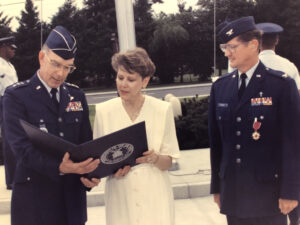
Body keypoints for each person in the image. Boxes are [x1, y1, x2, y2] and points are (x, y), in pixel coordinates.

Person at [3, 26, 100, 225]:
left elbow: (86, 145)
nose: (61, 73)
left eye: (68, 67)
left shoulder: (77, 96)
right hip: (34, 202)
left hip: (71, 202)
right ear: (41, 57)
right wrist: (59, 167)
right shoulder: (16, 96)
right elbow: (21, 149)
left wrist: (90, 175)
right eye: (55, 64)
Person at [209, 16, 300, 225]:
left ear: (253, 45)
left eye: (232, 46)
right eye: (225, 47)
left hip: (268, 193)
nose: (226, 52)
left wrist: (291, 191)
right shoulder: (220, 87)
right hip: (233, 192)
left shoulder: (280, 85)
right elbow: (217, 144)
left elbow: (293, 143)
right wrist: (217, 187)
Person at [93, 47, 180, 225]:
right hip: (120, 195)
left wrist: (155, 158)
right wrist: (112, 170)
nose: (123, 84)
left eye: (131, 79)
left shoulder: (162, 110)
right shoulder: (103, 111)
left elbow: (169, 161)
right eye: (120, 77)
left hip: (155, 196)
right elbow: (98, 162)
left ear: (145, 81)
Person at [257, 21, 300, 225]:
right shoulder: (288, 66)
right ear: (277, 41)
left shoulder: (250, 65)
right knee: (290, 174)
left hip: (257, 135)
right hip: (285, 133)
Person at [257, 22, 300, 93]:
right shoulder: (289, 65)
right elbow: (298, 92)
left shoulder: (248, 65)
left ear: (258, 42)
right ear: (276, 41)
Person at [0, 36, 18, 190]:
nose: (13, 51)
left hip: (14, 103)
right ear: (3, 47)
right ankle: (11, 180)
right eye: (11, 48)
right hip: (4, 102)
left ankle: (17, 175)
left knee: (17, 138)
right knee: (9, 140)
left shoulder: (10, 65)